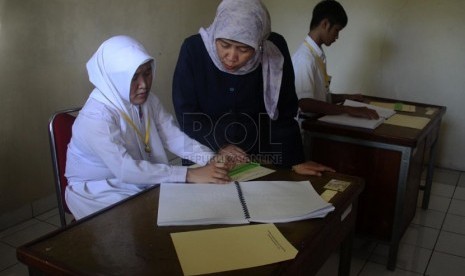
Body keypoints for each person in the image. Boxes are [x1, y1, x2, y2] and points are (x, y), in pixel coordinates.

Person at [65, 35, 246, 220]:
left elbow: (173, 136)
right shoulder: (96, 118)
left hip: (137, 177)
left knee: (182, 209)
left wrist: (210, 159)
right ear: (114, 78)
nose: (143, 85)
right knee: (148, 222)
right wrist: (189, 174)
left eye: (147, 73)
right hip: (99, 189)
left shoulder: (147, 101)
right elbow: (124, 169)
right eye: (134, 77)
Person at [172, 0, 334, 175]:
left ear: (259, 44)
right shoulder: (194, 50)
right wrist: (220, 144)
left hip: (257, 157)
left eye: (244, 49)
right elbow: (187, 114)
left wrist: (294, 161)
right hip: (204, 153)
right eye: (224, 45)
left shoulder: (273, 52)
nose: (232, 57)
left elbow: (284, 112)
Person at [292, 0, 379, 119]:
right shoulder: (304, 58)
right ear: (325, 24)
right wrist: (347, 109)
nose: (337, 37)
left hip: (318, 122)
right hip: (307, 128)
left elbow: (322, 98)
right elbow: (305, 103)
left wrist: (346, 97)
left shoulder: (317, 55)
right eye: (336, 30)